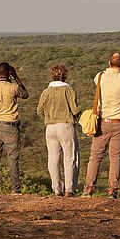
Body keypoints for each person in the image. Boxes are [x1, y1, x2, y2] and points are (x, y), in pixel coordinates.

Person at [84, 51, 120, 198]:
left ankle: (89, 189)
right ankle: (112, 190)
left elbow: (98, 78)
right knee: (115, 157)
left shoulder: (100, 77)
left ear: (109, 63)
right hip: (119, 123)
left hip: (102, 122)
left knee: (95, 156)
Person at [36, 63, 82, 196]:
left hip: (50, 127)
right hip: (65, 126)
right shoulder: (68, 89)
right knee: (70, 158)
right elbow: (74, 110)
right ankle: (69, 189)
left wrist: (49, 116)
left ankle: (57, 189)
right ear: (65, 75)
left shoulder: (46, 91)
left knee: (53, 159)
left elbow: (39, 110)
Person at [0, 62, 27, 193]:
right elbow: (25, 94)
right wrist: (16, 76)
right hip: (10, 126)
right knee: (13, 159)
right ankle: (15, 189)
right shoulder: (13, 87)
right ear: (9, 73)